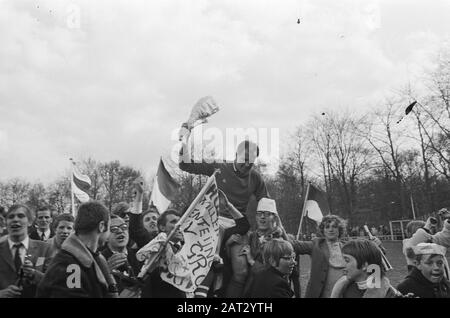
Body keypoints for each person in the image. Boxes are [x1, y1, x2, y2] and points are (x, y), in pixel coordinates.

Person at [36, 201, 118, 298]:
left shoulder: (91, 259)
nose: (109, 235)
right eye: (109, 228)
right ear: (101, 226)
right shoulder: (70, 265)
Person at [0, 204, 52, 298]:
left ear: (30, 222)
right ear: (6, 222)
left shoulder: (45, 249)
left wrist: (33, 274)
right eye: (11, 217)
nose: (15, 219)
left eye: (21, 216)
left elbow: (53, 282)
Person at [290, 214, 347, 298]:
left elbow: (367, 250)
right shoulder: (316, 245)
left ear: (340, 229)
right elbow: (294, 244)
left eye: (334, 227)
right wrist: (279, 227)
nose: (331, 229)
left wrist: (374, 240)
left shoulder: (347, 247)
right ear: (323, 230)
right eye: (327, 227)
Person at [139, 209, 186, 298]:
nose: (179, 225)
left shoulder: (190, 248)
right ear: (162, 227)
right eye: (173, 222)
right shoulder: (155, 249)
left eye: (180, 221)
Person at [331, 239, 400, 298]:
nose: (342, 265)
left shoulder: (390, 294)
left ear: (364, 265)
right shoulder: (346, 289)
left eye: (347, 260)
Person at [101, 215, 142, 296]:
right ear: (105, 236)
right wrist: (105, 273)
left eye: (124, 227)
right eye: (113, 229)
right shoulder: (99, 260)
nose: (120, 231)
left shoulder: (140, 256)